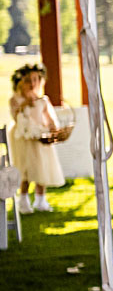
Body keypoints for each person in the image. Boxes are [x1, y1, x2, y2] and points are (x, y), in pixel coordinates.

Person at [8, 64, 63, 213]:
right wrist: (25, 104)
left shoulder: (43, 100)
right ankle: (23, 200)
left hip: (40, 138)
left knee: (41, 168)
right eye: (27, 80)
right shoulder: (16, 100)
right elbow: (15, 116)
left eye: (35, 80)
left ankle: (41, 200)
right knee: (25, 169)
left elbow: (50, 119)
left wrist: (53, 129)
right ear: (20, 82)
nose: (32, 84)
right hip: (24, 139)